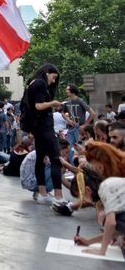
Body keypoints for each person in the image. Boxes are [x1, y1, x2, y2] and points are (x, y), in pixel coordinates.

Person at [24, 63, 65, 205]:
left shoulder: (32, 83)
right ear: (47, 73)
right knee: (55, 158)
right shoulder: (41, 84)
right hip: (44, 126)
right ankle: (59, 196)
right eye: (53, 77)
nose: (53, 81)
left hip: (37, 127)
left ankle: (42, 193)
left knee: (40, 158)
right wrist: (53, 103)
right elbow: (39, 105)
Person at [74, 171, 124, 257]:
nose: (84, 200)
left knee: (106, 219)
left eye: (82, 197)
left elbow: (111, 223)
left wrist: (101, 251)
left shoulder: (104, 188)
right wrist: (88, 241)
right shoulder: (108, 185)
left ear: (88, 190)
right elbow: (114, 232)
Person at [62, 84, 95, 159]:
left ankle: (82, 166)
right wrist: (68, 120)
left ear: (73, 91)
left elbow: (93, 113)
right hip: (70, 128)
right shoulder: (66, 101)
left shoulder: (80, 101)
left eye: (68, 89)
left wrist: (85, 125)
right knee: (69, 148)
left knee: (80, 147)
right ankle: (73, 165)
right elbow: (62, 112)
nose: (66, 91)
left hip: (79, 129)